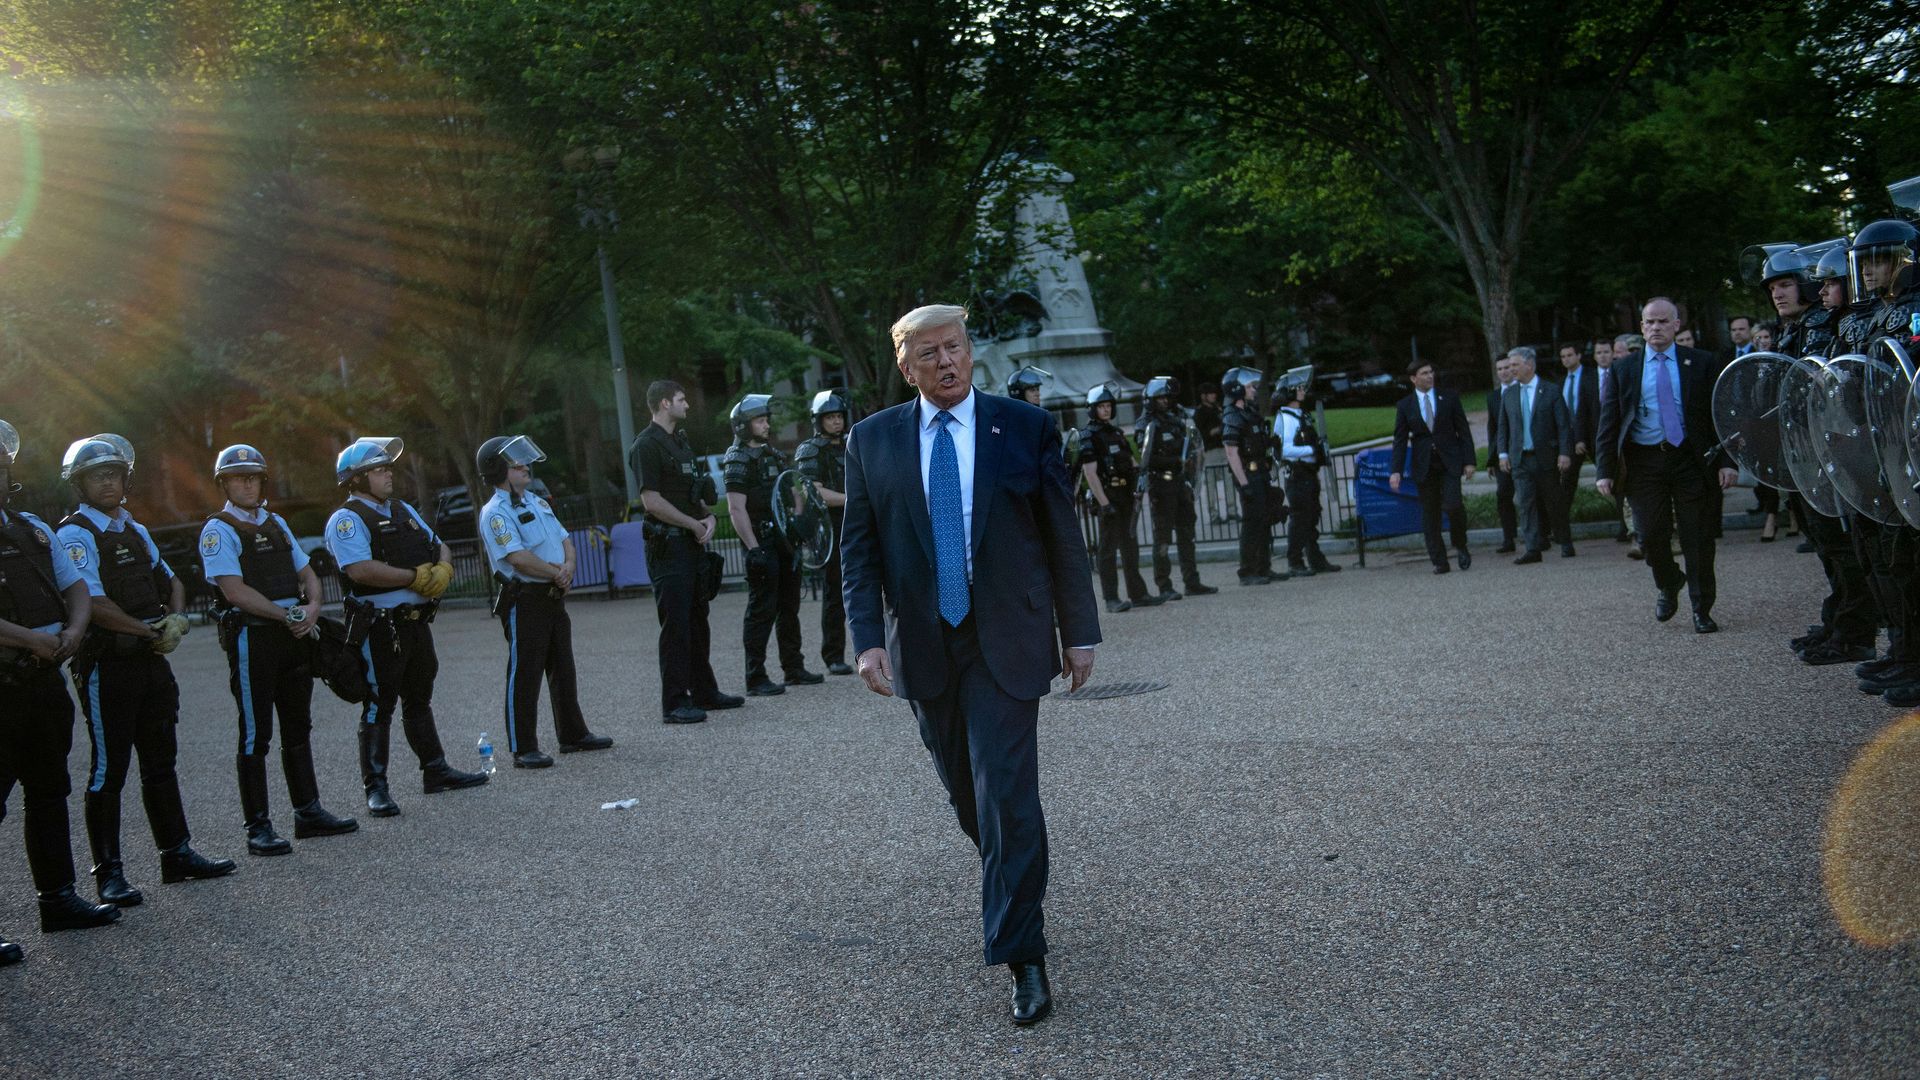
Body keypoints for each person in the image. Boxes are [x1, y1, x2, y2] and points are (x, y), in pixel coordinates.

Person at [840, 303, 1100, 1027]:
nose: (946, 363)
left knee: (1007, 793)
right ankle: (1018, 876)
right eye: (929, 355)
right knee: (970, 798)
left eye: (955, 348)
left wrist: (1079, 632)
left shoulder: (1023, 427)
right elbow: (857, 555)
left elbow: (1062, 538)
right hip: (926, 645)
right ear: (906, 365)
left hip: (1008, 639)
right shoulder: (872, 441)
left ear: (971, 350)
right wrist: (866, 641)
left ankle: (1023, 955)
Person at [55, 436, 232, 907]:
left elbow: (170, 579)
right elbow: (91, 602)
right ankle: (108, 875)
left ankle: (176, 854)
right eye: (97, 475)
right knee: (108, 769)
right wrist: (146, 631)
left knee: (161, 761)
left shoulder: (133, 527)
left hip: (149, 661)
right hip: (107, 664)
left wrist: (173, 618)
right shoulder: (75, 534)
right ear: (79, 483)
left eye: (114, 473)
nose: (108, 481)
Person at [199, 445, 358, 854]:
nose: (248, 483)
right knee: (256, 734)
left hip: (293, 636)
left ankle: (308, 812)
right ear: (225, 484)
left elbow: (307, 572)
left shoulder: (276, 523)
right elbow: (234, 591)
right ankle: (258, 827)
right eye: (238, 478)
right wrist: (285, 616)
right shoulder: (218, 529)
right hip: (255, 639)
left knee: (298, 725)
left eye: (253, 476)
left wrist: (314, 606)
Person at [0, 420, 120, 954]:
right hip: (5, 680)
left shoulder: (32, 528)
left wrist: (73, 629)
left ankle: (58, 900)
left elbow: (74, 585)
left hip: (44, 679)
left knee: (49, 792)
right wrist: (30, 639)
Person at [325, 437, 489, 816]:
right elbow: (360, 570)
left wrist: (444, 568)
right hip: (380, 627)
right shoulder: (347, 520)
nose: (388, 475)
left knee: (419, 698)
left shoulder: (401, 509)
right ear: (356, 479)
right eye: (379, 470)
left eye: (387, 468)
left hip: (415, 624)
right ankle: (376, 788)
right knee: (377, 705)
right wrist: (414, 577)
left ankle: (435, 770)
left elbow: (438, 545)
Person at [1765, 243, 1875, 668]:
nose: (1778, 293)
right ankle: (1840, 620)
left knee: (1839, 545)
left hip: (1824, 452)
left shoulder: (1820, 325)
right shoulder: (1789, 329)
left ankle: (1854, 631)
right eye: (1773, 287)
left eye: (1787, 284)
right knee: (1826, 545)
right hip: (1800, 454)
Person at [1595, 298, 1734, 633]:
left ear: (1676, 325)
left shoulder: (1701, 363)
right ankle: (1669, 581)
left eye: (1662, 322)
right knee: (1649, 534)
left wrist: (1727, 461)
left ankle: (1702, 608)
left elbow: (1720, 415)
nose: (1655, 328)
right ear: (1641, 327)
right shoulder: (1624, 369)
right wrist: (1604, 470)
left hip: (1690, 459)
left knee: (1697, 537)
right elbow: (1609, 422)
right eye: (1649, 322)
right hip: (1644, 462)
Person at [476, 435, 614, 764]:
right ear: (498, 470)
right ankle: (523, 748)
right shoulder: (495, 513)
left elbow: (565, 539)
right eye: (515, 462)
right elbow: (517, 558)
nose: (524, 466)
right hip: (525, 599)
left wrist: (567, 568)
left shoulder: (538, 502)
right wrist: (556, 574)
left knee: (563, 668)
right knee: (524, 673)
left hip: (553, 595)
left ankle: (573, 735)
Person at [1835, 219, 1920, 706]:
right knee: (1898, 559)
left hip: (1912, 450)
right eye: (1864, 261)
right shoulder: (1869, 316)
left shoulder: (1915, 311)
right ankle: (1907, 651)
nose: (1869, 270)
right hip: (1884, 451)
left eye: (1880, 259)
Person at [631, 382, 741, 724]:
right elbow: (651, 501)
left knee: (697, 620)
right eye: (681, 400)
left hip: (690, 546)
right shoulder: (646, 445)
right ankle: (674, 702)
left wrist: (705, 516)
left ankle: (704, 692)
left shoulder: (679, 442)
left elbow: (691, 492)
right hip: (668, 547)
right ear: (664, 403)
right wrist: (692, 525)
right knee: (676, 626)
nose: (687, 405)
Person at [725, 394, 824, 695]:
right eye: (760, 420)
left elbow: (794, 489)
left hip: (784, 540)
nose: (766, 424)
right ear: (743, 425)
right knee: (761, 610)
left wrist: (797, 519)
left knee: (789, 606)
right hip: (761, 542)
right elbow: (735, 508)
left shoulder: (773, 454)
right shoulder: (738, 458)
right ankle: (755, 677)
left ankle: (793, 668)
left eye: (766, 419)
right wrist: (753, 548)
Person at [1077, 384, 1164, 614]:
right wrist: (1104, 503)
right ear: (1092, 409)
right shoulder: (1089, 436)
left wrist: (1138, 478)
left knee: (1130, 547)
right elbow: (1090, 472)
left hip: (1126, 496)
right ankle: (1111, 598)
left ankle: (1138, 594)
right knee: (1108, 551)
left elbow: (1132, 462)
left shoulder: (1116, 433)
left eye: (1108, 406)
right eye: (1101, 406)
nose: (1105, 410)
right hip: (1108, 496)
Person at [1391, 360, 1477, 574]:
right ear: (1413, 379)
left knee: (1453, 505)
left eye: (1431, 372)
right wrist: (1396, 470)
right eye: (1424, 373)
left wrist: (1469, 461)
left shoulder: (1449, 398)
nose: (1430, 376)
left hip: (1449, 461)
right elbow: (1399, 440)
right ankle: (1439, 560)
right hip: (1424, 464)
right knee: (1430, 514)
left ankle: (1460, 544)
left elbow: (1463, 431)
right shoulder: (1405, 405)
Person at [1134, 375, 1216, 598]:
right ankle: (1164, 584)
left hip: (1181, 484)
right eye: (1160, 397)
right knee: (1162, 537)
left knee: (1187, 533)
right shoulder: (1146, 424)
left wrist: (1190, 462)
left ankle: (1192, 581)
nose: (1165, 401)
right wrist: (1174, 461)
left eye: (1166, 397)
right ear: (1151, 399)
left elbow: (1191, 444)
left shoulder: (1174, 420)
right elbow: (1146, 458)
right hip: (1161, 484)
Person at [1497, 347, 1576, 563]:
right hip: (1520, 459)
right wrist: (1503, 454)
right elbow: (1503, 427)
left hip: (1546, 457)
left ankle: (1565, 540)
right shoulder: (1509, 394)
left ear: (1529, 365)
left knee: (1555, 502)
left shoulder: (1550, 390)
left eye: (1515, 365)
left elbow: (1563, 425)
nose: (1511, 369)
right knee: (1525, 503)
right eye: (1509, 365)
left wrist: (1564, 453)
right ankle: (1533, 548)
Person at [795, 389, 854, 675]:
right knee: (835, 593)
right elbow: (812, 493)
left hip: (857, 522)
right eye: (830, 417)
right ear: (819, 420)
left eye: (838, 416)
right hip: (829, 527)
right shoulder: (810, 450)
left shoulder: (853, 443)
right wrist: (852, 499)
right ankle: (833, 655)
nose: (836, 422)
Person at [1273, 374, 1339, 576]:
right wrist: (1311, 450)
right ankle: (1295, 561)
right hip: (1298, 474)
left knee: (1311, 517)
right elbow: (1284, 450)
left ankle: (1315, 558)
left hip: (1308, 473)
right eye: (1298, 388)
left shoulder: (1300, 415)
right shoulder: (1286, 418)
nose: (1303, 391)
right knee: (1300, 518)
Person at [1221, 367, 1282, 585]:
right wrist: (1243, 483)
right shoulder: (1232, 415)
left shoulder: (1250, 412)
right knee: (1252, 524)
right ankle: (1247, 572)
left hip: (1261, 473)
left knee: (1264, 521)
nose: (1253, 390)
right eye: (1248, 386)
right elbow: (1231, 451)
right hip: (1249, 474)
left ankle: (1264, 568)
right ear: (1236, 389)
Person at [1557, 342, 1598, 516]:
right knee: (1567, 481)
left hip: (1594, 435)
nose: (1566, 359)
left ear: (1579, 356)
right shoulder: (1561, 382)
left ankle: (1625, 525)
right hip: (1571, 438)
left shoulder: (1593, 376)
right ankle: (1561, 525)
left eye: (1570, 355)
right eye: (1563, 356)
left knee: (1610, 477)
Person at [1486, 354, 1521, 553]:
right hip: (1503, 455)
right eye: (1499, 369)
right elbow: (1493, 429)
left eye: (1506, 368)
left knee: (1531, 495)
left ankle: (1543, 533)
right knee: (1503, 494)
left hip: (1523, 452)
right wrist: (1493, 458)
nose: (1503, 372)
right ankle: (1509, 538)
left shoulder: (1523, 390)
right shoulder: (1493, 397)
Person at [1192, 382, 1230, 524]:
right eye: (1210, 393)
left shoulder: (1217, 408)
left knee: (1229, 480)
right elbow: (1201, 435)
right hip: (1210, 450)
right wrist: (1216, 430)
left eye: (1214, 393)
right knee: (1211, 484)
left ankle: (1232, 511)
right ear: (1203, 396)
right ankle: (1213, 514)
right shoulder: (1200, 412)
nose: (1214, 395)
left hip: (1223, 448)